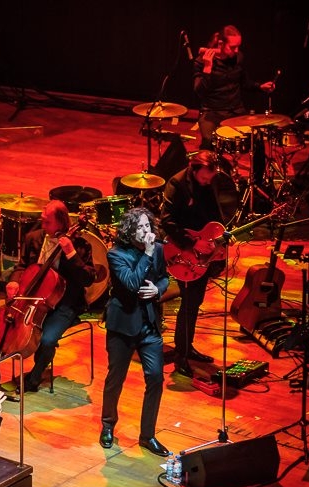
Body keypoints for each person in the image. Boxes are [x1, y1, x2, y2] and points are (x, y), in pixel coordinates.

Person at [1, 199, 97, 393]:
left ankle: (34, 378)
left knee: (47, 340)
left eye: (47, 222)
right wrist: (14, 281)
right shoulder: (33, 238)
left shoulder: (80, 245)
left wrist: (71, 254)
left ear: (61, 223)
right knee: (6, 324)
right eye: (43, 220)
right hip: (34, 299)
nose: (42, 225)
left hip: (65, 304)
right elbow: (22, 266)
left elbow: (88, 279)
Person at [100, 208, 172, 457]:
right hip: (122, 326)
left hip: (149, 325)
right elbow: (131, 283)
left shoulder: (158, 249)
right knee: (115, 379)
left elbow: (165, 277)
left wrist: (158, 290)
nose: (146, 231)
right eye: (140, 227)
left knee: (156, 377)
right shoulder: (116, 254)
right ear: (129, 231)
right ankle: (108, 424)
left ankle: (147, 435)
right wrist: (148, 253)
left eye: (147, 226)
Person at [160, 150, 226, 377]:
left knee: (195, 301)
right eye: (204, 178)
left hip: (202, 250)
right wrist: (193, 243)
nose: (207, 182)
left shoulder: (208, 182)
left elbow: (213, 214)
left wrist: (220, 237)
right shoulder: (176, 184)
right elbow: (167, 221)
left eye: (210, 178)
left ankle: (187, 348)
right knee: (189, 303)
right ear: (193, 169)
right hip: (183, 250)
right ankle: (181, 356)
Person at [193, 25, 275, 150]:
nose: (236, 50)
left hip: (236, 111)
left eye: (238, 46)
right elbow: (199, 92)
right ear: (221, 44)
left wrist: (260, 87)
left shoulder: (238, 57)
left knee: (257, 138)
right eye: (232, 47)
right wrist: (207, 68)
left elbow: (244, 82)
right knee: (208, 140)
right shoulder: (201, 61)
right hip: (212, 112)